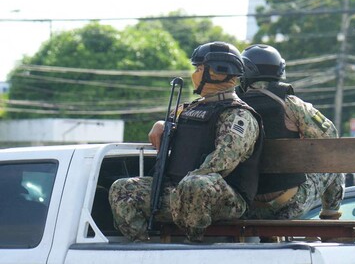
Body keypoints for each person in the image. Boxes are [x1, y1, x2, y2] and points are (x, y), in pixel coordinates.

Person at [108, 41, 263, 242]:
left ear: (218, 72)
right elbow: (173, 123)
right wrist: (161, 123)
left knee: (195, 184)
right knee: (122, 189)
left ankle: (193, 244)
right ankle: (144, 248)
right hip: (180, 192)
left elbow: (221, 164)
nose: (195, 74)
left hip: (222, 198)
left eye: (200, 68)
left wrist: (181, 189)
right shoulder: (191, 108)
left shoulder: (238, 115)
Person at [238, 44, 344, 220]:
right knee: (333, 160)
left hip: (246, 206)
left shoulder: (233, 105)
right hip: (288, 204)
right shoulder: (292, 104)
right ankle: (331, 220)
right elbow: (330, 136)